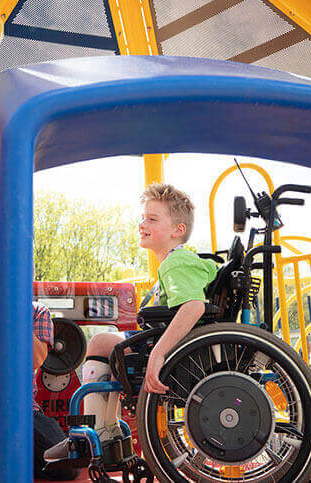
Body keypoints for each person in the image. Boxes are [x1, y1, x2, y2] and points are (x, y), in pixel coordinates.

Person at [44, 183, 217, 461]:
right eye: (142, 218)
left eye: (152, 219)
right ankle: (105, 431)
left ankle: (98, 432)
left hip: (174, 353)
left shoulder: (177, 262)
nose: (142, 224)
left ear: (177, 230)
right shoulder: (177, 264)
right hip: (173, 347)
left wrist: (158, 353)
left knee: (100, 341)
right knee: (112, 349)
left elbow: (194, 306)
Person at [31, 301, 79, 480]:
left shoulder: (37, 311)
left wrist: (13, 313)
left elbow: (36, 359)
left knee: (68, 464)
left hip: (23, 411)